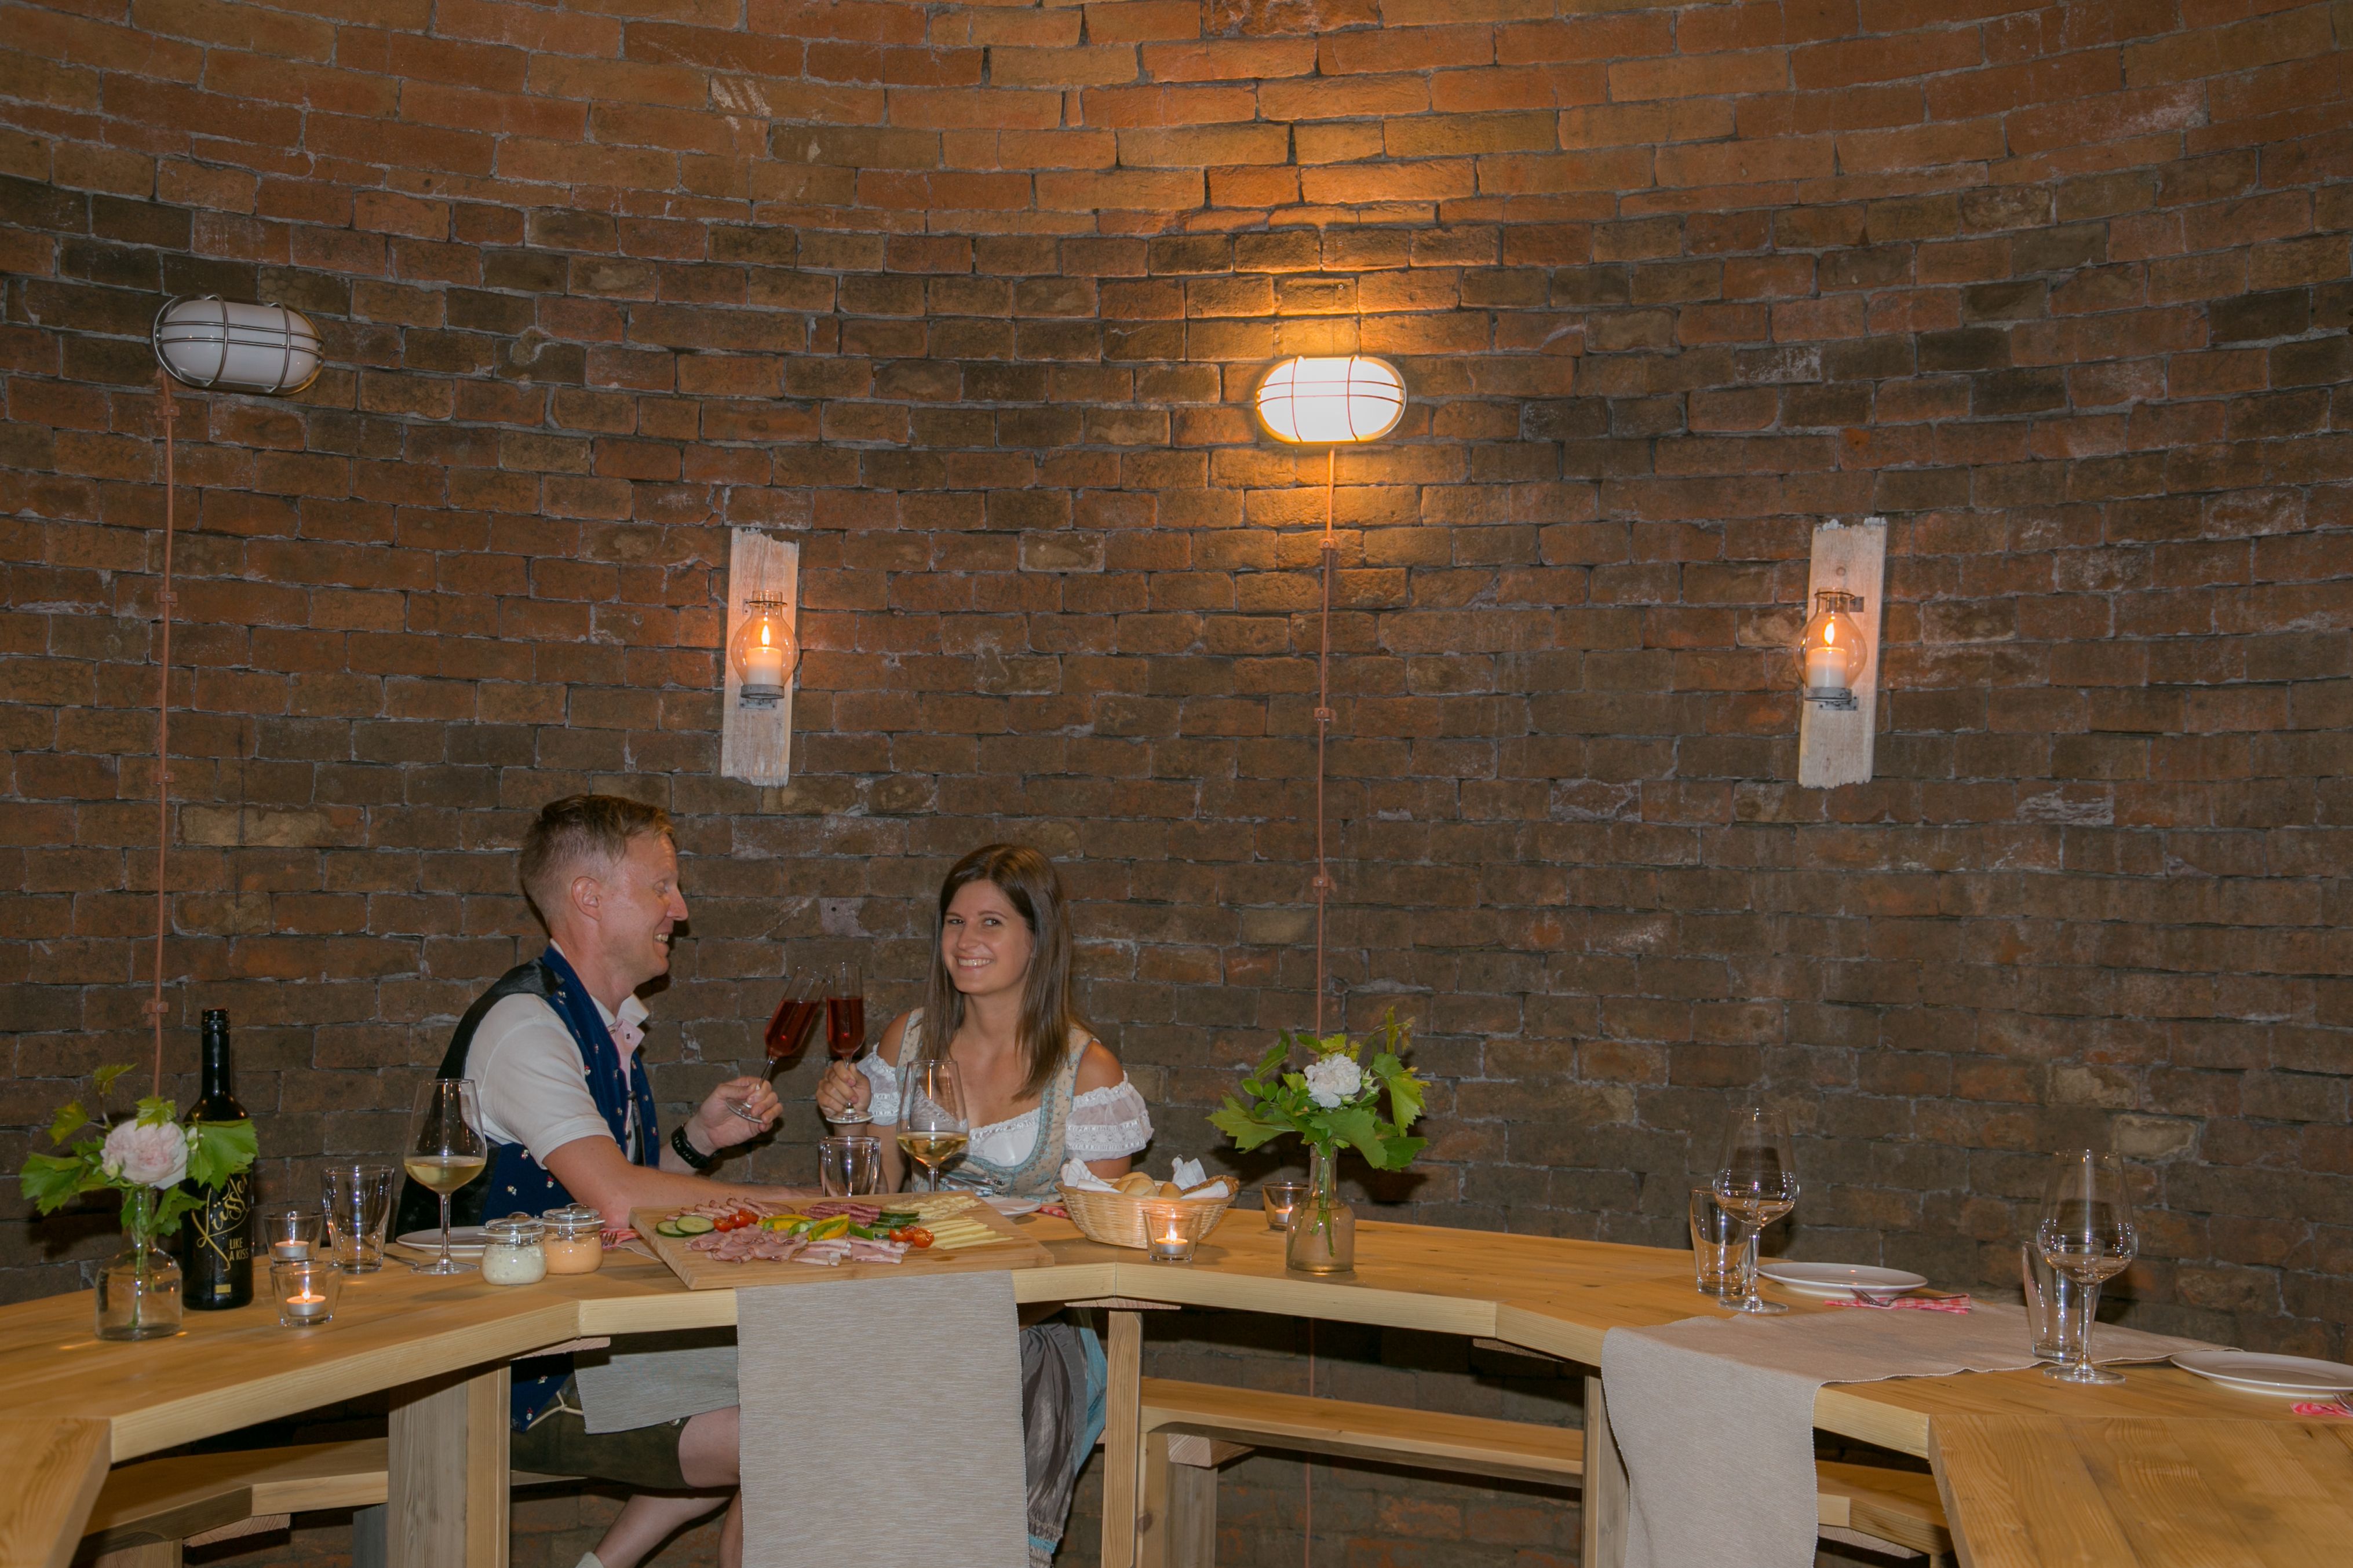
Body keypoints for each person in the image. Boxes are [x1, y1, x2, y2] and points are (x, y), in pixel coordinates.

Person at [395, 794, 785, 1568]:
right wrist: (815, 1206)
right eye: (661, 885)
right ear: (588, 895)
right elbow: (619, 1197)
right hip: (503, 1370)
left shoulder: (604, 1024)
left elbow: (605, 1205)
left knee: (813, 1374)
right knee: (802, 1425)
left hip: (581, 1337)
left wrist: (696, 1140)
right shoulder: (528, 1027)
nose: (681, 907)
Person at [816, 843, 1153, 1564]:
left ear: (1038, 939)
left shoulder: (1086, 1071)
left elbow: (1095, 1246)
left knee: (977, 1384)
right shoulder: (909, 1040)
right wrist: (849, 1124)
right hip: (904, 1304)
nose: (966, 942)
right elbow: (873, 1204)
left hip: (1030, 1322)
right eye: (953, 921)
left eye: (992, 923)